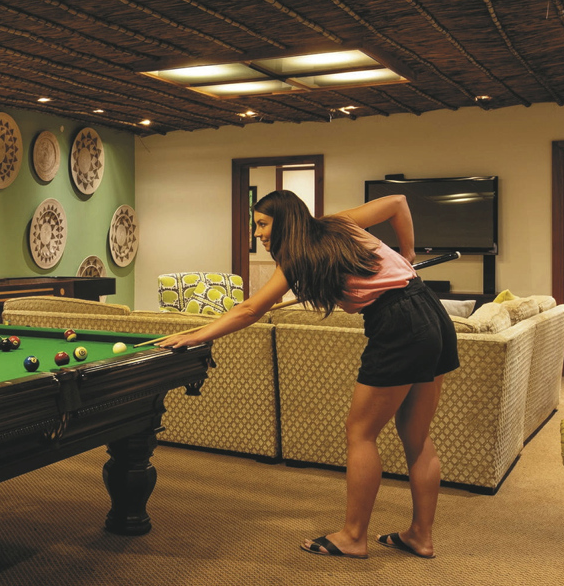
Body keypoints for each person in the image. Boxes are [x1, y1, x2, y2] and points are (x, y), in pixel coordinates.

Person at [156, 189, 457, 559]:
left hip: (398, 325)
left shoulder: (296, 260)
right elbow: (398, 203)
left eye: (262, 224)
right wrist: (407, 254)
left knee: (361, 433)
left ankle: (353, 536)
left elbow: (250, 310)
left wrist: (197, 335)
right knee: (416, 435)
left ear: (284, 221)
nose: (257, 233)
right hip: (431, 312)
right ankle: (420, 536)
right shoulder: (338, 225)